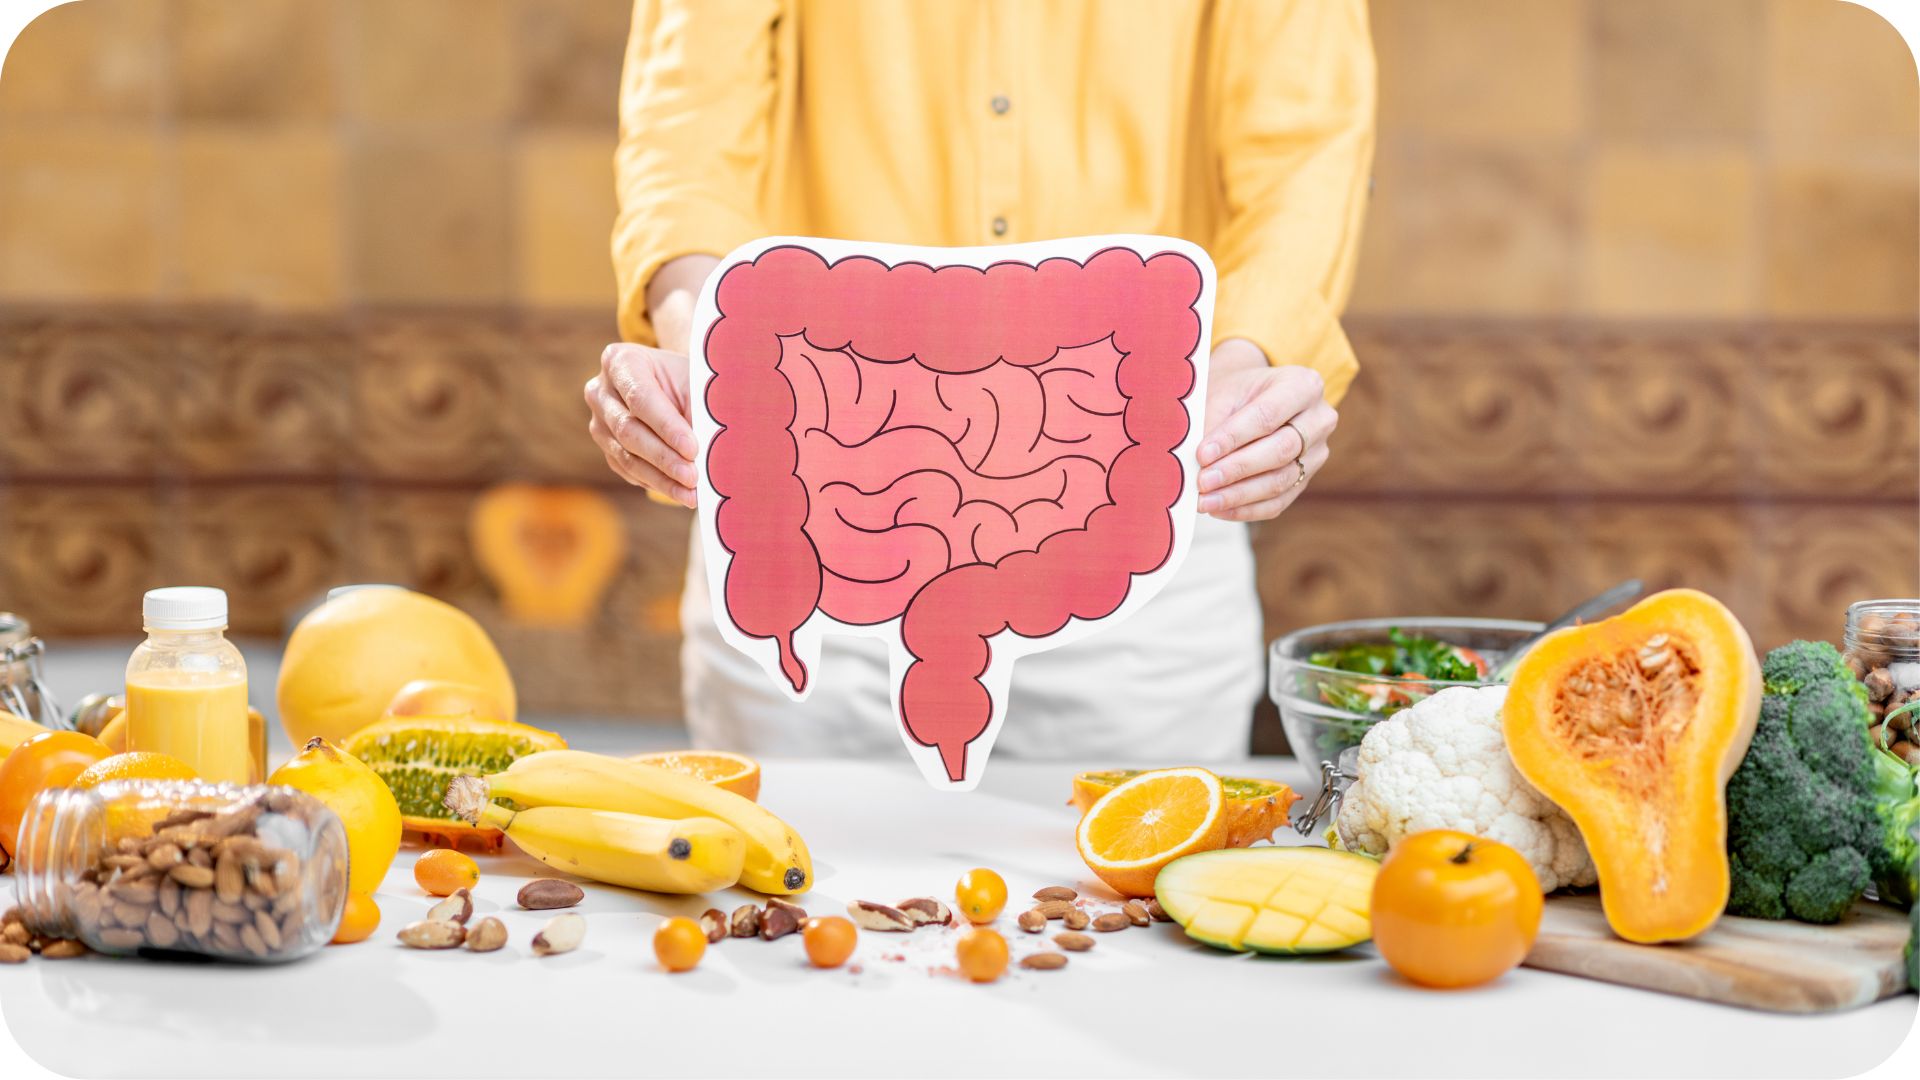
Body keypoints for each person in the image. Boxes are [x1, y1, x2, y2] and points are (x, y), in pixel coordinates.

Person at [587, 0, 1374, 762]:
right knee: (789, 887)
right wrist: (701, 341)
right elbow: (686, 123)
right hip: (805, 523)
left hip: (1147, 522)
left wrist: (1247, 361)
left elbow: (1304, 148)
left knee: (1134, 890)